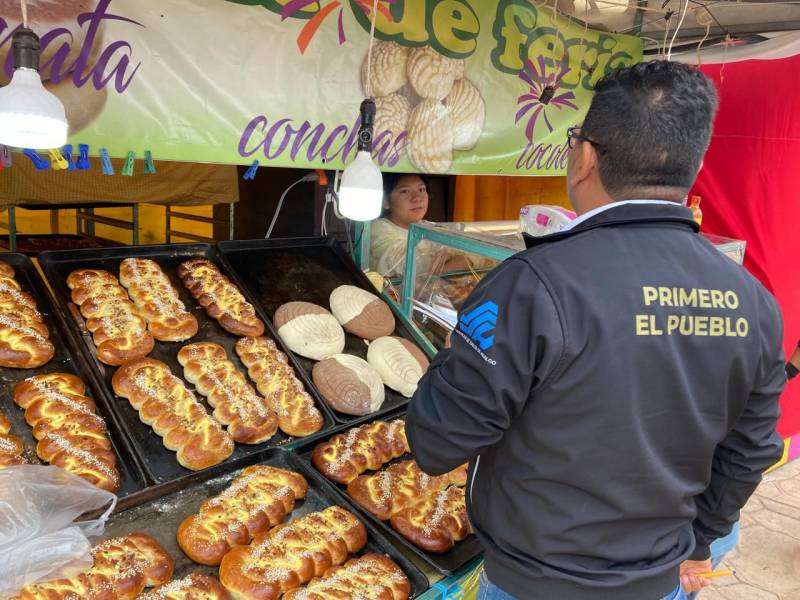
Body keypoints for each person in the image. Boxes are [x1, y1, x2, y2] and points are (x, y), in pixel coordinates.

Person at [405, 60, 786, 600]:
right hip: (658, 584)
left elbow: (436, 442)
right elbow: (749, 452)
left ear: (583, 157)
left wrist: (452, 353)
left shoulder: (532, 285)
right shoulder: (754, 302)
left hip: (531, 585)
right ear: (693, 164)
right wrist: (698, 542)